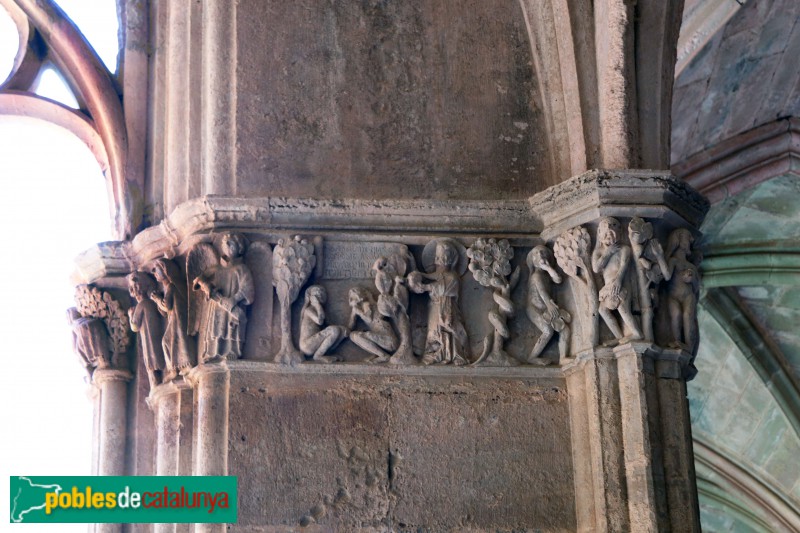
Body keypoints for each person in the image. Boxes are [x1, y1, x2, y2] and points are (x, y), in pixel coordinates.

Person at [193, 233, 255, 361]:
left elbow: (248, 288)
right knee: (216, 328)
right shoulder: (215, 269)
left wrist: (234, 299)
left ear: (240, 248)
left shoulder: (241, 269)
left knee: (232, 326)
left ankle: (233, 350)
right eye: (225, 242)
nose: (227, 245)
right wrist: (204, 284)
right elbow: (198, 280)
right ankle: (213, 352)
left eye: (231, 243)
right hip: (216, 305)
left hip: (232, 305)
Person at [408, 240, 469, 365]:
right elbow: (431, 277)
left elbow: (441, 287)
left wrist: (425, 287)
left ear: (450, 260)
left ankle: (455, 355)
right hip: (435, 308)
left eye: (443, 258)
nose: (439, 261)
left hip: (448, 308)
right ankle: (434, 355)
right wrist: (417, 275)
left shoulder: (453, 278)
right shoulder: (437, 275)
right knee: (433, 332)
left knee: (450, 328)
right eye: (438, 257)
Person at [591, 217, 642, 344]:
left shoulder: (624, 248)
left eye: (613, 229)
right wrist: (608, 252)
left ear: (619, 231)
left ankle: (637, 333)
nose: (609, 233)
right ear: (600, 233)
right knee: (602, 310)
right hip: (607, 287)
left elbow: (624, 266)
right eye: (606, 231)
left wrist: (618, 281)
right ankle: (619, 337)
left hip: (620, 284)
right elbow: (596, 268)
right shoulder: (599, 252)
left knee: (623, 309)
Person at [526, 246, 571, 363]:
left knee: (565, 330)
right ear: (533, 260)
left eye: (543, 253)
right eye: (537, 254)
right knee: (548, 331)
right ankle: (532, 357)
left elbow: (558, 280)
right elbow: (542, 292)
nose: (541, 255)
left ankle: (563, 358)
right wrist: (550, 305)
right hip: (535, 309)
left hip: (547, 308)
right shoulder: (536, 276)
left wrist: (549, 268)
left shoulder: (545, 275)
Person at [151, 259, 195, 376]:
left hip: (178, 319)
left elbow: (167, 306)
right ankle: (176, 368)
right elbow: (165, 313)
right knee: (170, 341)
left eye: (157, 269)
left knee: (172, 340)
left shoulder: (171, 286)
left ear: (166, 271)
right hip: (174, 319)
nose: (154, 272)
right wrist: (159, 301)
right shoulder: (168, 287)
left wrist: (157, 299)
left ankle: (181, 366)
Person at [127, 271, 167, 388]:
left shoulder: (142, 305)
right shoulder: (151, 303)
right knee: (156, 358)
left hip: (148, 339)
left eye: (134, 287)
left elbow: (134, 326)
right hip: (156, 336)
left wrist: (130, 315)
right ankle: (159, 382)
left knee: (151, 362)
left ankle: (155, 385)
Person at [665, 228, 700, 353]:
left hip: (688, 296)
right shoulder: (673, 261)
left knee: (688, 315)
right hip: (673, 295)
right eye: (688, 237)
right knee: (676, 314)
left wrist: (691, 279)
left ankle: (689, 346)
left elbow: (696, 287)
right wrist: (659, 256)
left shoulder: (691, 266)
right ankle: (677, 341)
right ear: (678, 240)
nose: (691, 239)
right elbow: (667, 276)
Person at [348, 287, 398, 362]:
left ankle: (383, 356)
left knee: (361, 335)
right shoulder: (361, 307)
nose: (351, 300)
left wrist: (358, 312)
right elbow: (350, 327)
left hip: (389, 341)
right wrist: (353, 314)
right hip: (381, 340)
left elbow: (369, 319)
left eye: (353, 297)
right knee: (353, 335)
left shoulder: (368, 304)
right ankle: (380, 354)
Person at [299, 285, 346, 363]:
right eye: (317, 294)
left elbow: (329, 325)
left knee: (340, 330)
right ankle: (318, 356)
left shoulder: (321, 311)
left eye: (322, 293)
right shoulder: (308, 310)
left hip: (315, 341)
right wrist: (317, 304)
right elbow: (319, 321)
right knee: (334, 330)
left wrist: (343, 331)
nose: (320, 295)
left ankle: (326, 353)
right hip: (307, 345)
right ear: (311, 298)